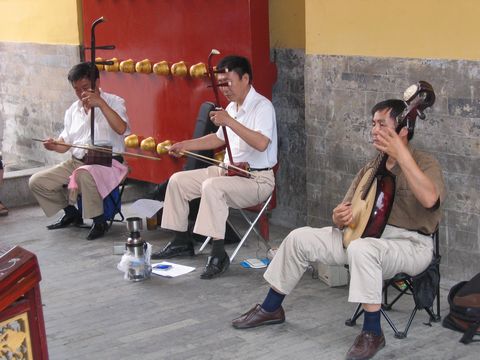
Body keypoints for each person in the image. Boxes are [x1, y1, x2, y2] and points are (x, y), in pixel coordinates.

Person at [231, 99, 446, 360]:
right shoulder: (371, 167)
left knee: (362, 249)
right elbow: (344, 212)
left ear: (402, 129)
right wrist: (339, 216)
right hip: (362, 237)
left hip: (410, 244)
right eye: (372, 124)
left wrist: (401, 155)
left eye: (381, 125)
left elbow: (430, 200)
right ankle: (271, 308)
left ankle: (372, 332)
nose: (373, 130)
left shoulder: (425, 162)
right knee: (299, 238)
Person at [152, 55, 277, 279]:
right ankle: (181, 240)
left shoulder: (262, 106)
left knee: (212, 187)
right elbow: (218, 139)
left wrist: (229, 121)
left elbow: (261, 143)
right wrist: (185, 145)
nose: (225, 89)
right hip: (228, 170)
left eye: (228, 82)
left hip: (256, 179)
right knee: (178, 181)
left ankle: (218, 253)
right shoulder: (232, 107)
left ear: (245, 78)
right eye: (221, 83)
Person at [29, 62, 130, 240]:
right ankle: (71, 213)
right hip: (78, 162)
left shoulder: (115, 101)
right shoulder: (72, 110)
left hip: (106, 162)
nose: (81, 93)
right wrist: (54, 145)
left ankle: (99, 221)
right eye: (76, 89)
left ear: (97, 82)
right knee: (37, 181)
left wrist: (101, 104)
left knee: (84, 174)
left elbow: (121, 128)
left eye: (85, 87)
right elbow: (65, 144)